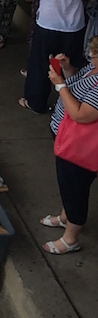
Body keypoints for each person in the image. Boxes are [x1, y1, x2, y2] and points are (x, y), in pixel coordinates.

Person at [41, 37, 98, 254]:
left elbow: (81, 115)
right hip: (66, 139)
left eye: (94, 55)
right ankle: (66, 217)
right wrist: (66, 69)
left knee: (76, 189)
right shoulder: (92, 70)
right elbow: (77, 85)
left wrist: (59, 85)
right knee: (67, 184)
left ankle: (71, 237)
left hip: (80, 148)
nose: (90, 58)